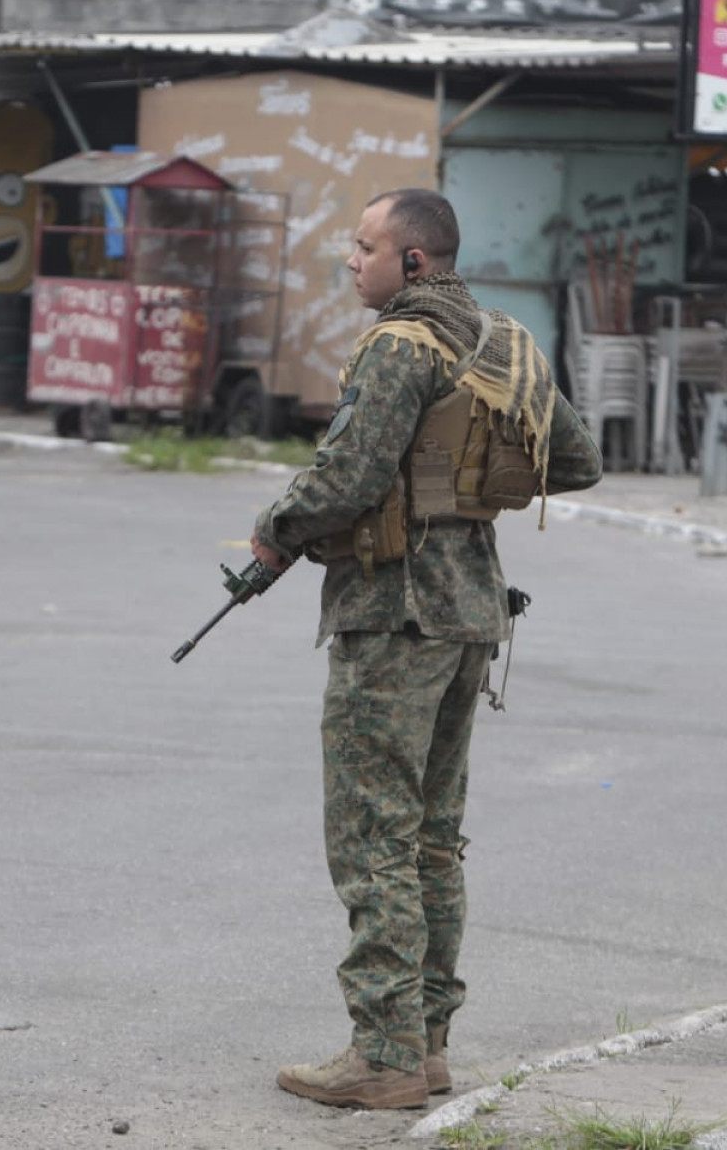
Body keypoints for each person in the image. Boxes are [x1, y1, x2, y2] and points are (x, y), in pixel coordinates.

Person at [248, 188, 603, 1110]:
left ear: (414, 261)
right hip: (473, 613)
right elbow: (576, 459)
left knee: (374, 836)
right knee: (434, 842)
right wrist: (468, 474)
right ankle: (430, 1042)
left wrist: (275, 528)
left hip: (393, 615)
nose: (351, 261)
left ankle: (384, 1050)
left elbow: (349, 475)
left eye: (364, 247)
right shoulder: (498, 342)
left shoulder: (398, 345)